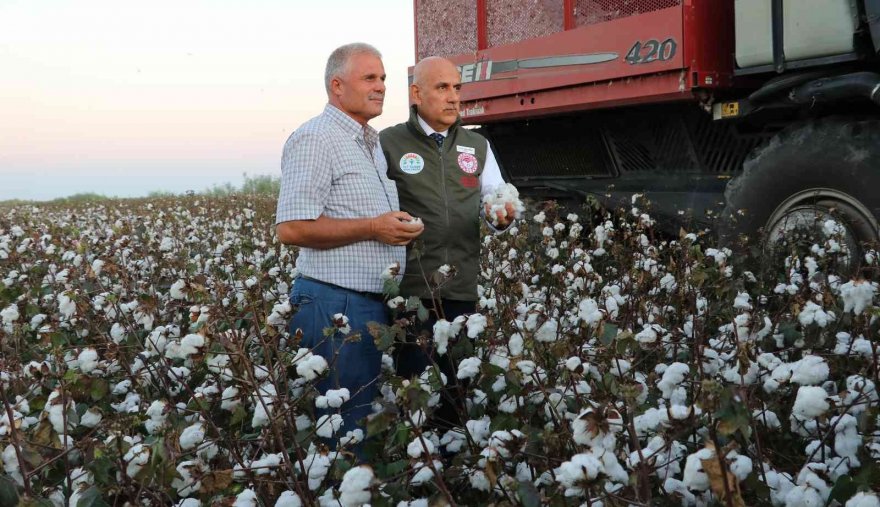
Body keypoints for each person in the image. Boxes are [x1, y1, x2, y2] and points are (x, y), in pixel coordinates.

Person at [275, 43, 424, 443]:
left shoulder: (369, 143)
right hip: (334, 305)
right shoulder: (316, 139)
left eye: (383, 78)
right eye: (369, 78)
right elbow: (291, 228)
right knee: (342, 430)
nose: (381, 87)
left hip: (363, 304)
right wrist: (375, 227)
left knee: (355, 424)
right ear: (337, 86)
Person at [380, 56, 515, 428]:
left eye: (457, 87)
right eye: (442, 88)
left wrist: (502, 217)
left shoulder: (478, 146)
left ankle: (452, 470)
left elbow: (495, 200)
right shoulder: (388, 143)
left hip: (461, 287)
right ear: (416, 93)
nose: (454, 97)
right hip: (411, 290)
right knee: (416, 392)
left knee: (457, 390)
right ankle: (418, 475)